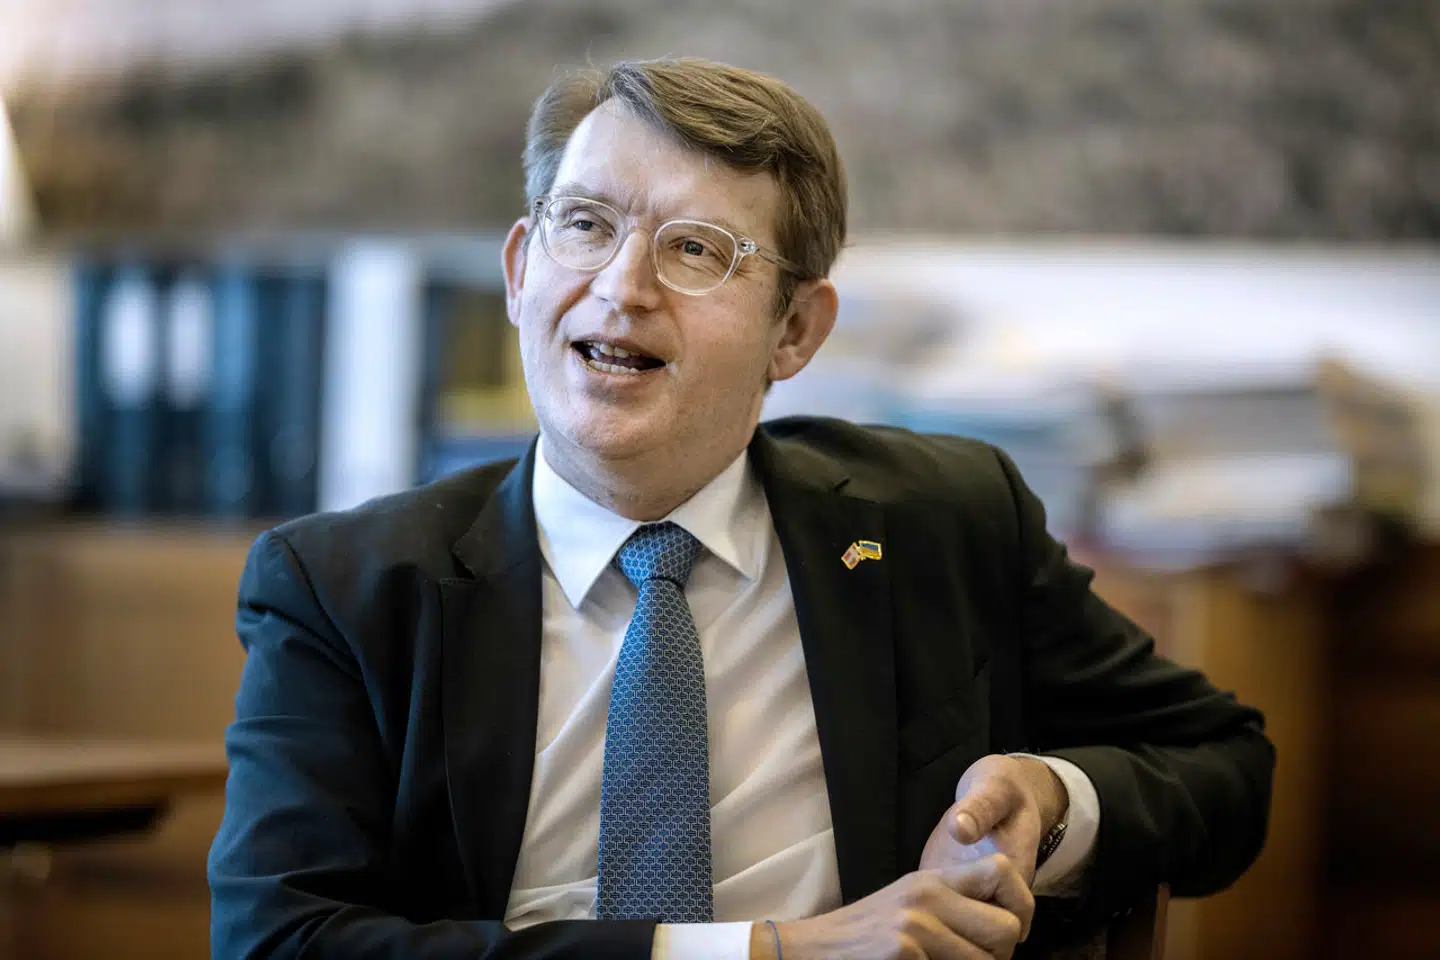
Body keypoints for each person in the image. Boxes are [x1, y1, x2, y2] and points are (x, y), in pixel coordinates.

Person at [208, 57, 1274, 960]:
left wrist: (1048, 798)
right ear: (522, 270)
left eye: (696, 249)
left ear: (796, 331)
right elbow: (279, 938)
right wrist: (769, 952)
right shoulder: (344, 589)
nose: (622, 287)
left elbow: (1224, 766)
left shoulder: (940, 523)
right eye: (586, 225)